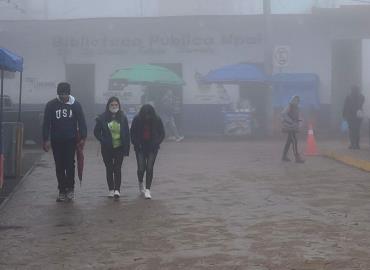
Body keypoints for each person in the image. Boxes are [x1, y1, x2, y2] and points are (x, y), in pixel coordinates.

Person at [42, 82, 87, 202]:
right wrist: (46, 139)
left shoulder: (75, 105)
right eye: (61, 94)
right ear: (58, 93)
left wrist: (83, 137)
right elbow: (46, 123)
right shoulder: (51, 105)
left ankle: (70, 189)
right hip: (56, 140)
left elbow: (82, 121)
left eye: (65, 94)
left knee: (70, 165)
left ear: (69, 93)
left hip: (71, 140)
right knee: (59, 166)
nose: (63, 96)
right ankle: (62, 190)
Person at [94, 97, 130, 198]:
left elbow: (127, 133)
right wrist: (103, 140)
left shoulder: (123, 117)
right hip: (107, 148)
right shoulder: (102, 118)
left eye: (116, 105)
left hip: (119, 147)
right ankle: (111, 189)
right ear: (108, 106)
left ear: (119, 106)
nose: (114, 107)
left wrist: (126, 149)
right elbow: (96, 132)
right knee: (109, 168)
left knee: (117, 168)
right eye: (112, 105)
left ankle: (117, 190)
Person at [130, 104, 165, 199]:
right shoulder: (137, 119)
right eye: (145, 115)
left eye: (149, 115)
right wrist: (136, 143)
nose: (147, 117)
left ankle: (148, 190)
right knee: (141, 168)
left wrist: (157, 142)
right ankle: (141, 183)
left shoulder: (157, 119)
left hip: (152, 147)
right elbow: (132, 133)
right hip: (140, 147)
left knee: (149, 167)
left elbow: (162, 133)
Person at [281, 95, 304, 163]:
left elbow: (294, 116)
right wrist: (290, 121)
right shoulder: (290, 106)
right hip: (290, 127)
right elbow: (283, 114)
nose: (297, 101)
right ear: (293, 100)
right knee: (294, 141)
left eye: (298, 100)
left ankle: (284, 156)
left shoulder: (295, 107)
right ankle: (297, 157)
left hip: (292, 127)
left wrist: (298, 120)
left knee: (289, 142)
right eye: (296, 100)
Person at [342, 85, 365, 149]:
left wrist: (344, 114)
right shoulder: (361, 97)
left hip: (351, 116)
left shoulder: (349, 97)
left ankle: (352, 144)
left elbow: (345, 106)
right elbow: (361, 103)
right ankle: (357, 145)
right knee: (357, 130)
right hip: (358, 116)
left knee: (352, 130)